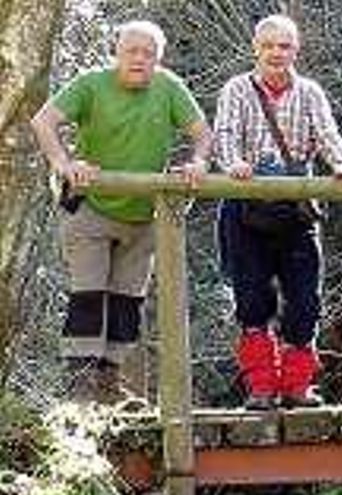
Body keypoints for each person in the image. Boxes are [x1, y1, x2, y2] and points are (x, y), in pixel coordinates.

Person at [30, 20, 211, 403]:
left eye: (149, 54)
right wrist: (64, 164)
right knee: (89, 295)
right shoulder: (92, 83)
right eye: (132, 51)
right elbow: (43, 121)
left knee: (127, 302)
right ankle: (79, 392)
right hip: (91, 207)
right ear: (117, 52)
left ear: (158, 60)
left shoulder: (168, 88)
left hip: (143, 214)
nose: (140, 59)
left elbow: (202, 133)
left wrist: (197, 162)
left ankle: (112, 390)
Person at [214, 14, 342, 409]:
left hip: (296, 208)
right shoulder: (236, 89)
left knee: (305, 299)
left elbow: (328, 135)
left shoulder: (310, 92)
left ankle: (298, 385)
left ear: (296, 50)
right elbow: (225, 135)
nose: (277, 54)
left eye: (285, 46)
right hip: (246, 205)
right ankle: (261, 387)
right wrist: (233, 165)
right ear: (256, 49)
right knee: (251, 300)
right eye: (270, 46)